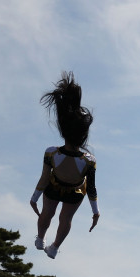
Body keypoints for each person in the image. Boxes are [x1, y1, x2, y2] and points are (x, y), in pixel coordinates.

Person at [30, 72, 99, 259]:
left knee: (48, 213)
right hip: (75, 192)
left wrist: (34, 196)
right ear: (84, 134)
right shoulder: (89, 160)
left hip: (54, 186)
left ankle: (41, 238)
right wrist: (95, 211)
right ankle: (53, 247)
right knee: (65, 218)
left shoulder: (52, 152)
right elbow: (91, 188)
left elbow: (44, 178)